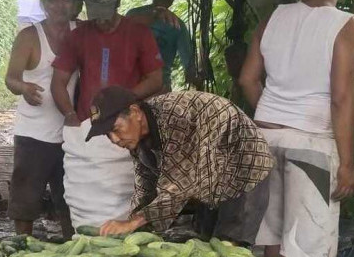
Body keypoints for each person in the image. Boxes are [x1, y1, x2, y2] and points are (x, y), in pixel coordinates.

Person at [239, 0, 354, 257]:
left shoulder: (273, 18)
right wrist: (347, 163)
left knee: (270, 235)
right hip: (311, 143)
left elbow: (246, 80)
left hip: (264, 137)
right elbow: (342, 98)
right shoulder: (345, 24)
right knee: (304, 249)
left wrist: (274, 114)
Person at [85, 87, 274, 239]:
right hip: (208, 174)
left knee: (229, 249)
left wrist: (133, 223)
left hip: (242, 166)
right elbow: (146, 185)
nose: (115, 139)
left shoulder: (175, 117)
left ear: (135, 112)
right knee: (205, 242)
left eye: (116, 129)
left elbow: (179, 185)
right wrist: (133, 227)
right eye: (107, 135)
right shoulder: (138, 135)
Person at [51, 0, 163, 228]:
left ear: (119, 2)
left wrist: (124, 101)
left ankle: (130, 235)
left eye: (106, 12)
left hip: (126, 124)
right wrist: (70, 116)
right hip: (89, 127)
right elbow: (58, 82)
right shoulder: (78, 35)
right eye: (95, 14)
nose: (101, 20)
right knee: (85, 198)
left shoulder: (138, 33)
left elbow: (156, 79)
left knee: (131, 194)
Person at [5, 0, 77, 240]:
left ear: (74, 2)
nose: (60, 5)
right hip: (33, 134)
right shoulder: (29, 37)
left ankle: (73, 248)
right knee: (25, 202)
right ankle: (23, 249)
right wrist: (23, 88)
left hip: (70, 133)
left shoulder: (80, 32)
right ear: (43, 2)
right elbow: (11, 78)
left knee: (70, 200)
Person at [126, 0, 196, 92]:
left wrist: (195, 75)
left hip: (160, 89)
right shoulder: (134, 15)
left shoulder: (177, 26)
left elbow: (188, 66)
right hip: (132, 84)